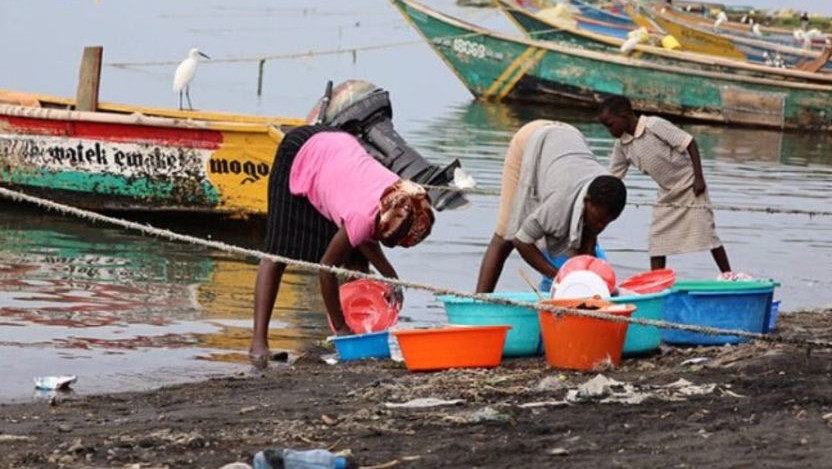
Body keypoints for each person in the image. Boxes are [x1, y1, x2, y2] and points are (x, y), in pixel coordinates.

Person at [249, 125, 434, 365]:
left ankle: (359, 332)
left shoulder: (400, 195)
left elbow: (366, 235)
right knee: (278, 251)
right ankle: (258, 344)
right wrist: (340, 328)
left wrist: (392, 279)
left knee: (356, 261)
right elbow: (326, 269)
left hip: (335, 152)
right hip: (300, 154)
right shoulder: (364, 215)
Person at [475, 120, 627, 293]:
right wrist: (558, 278)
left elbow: (588, 243)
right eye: (598, 221)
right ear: (587, 200)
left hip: (570, 135)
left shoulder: (607, 190)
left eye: (606, 223)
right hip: (532, 138)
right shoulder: (560, 203)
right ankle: (480, 300)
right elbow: (521, 241)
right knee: (506, 234)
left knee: (587, 230)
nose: (600, 227)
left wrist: (595, 286)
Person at [597, 95, 731, 273]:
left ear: (624, 116)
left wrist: (698, 177)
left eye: (610, 125)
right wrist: (599, 192)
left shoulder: (653, 125)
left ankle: (728, 274)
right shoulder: (622, 145)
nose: (610, 131)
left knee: (706, 232)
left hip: (690, 185)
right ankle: (656, 279)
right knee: (657, 238)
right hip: (667, 193)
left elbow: (689, 143)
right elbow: (614, 176)